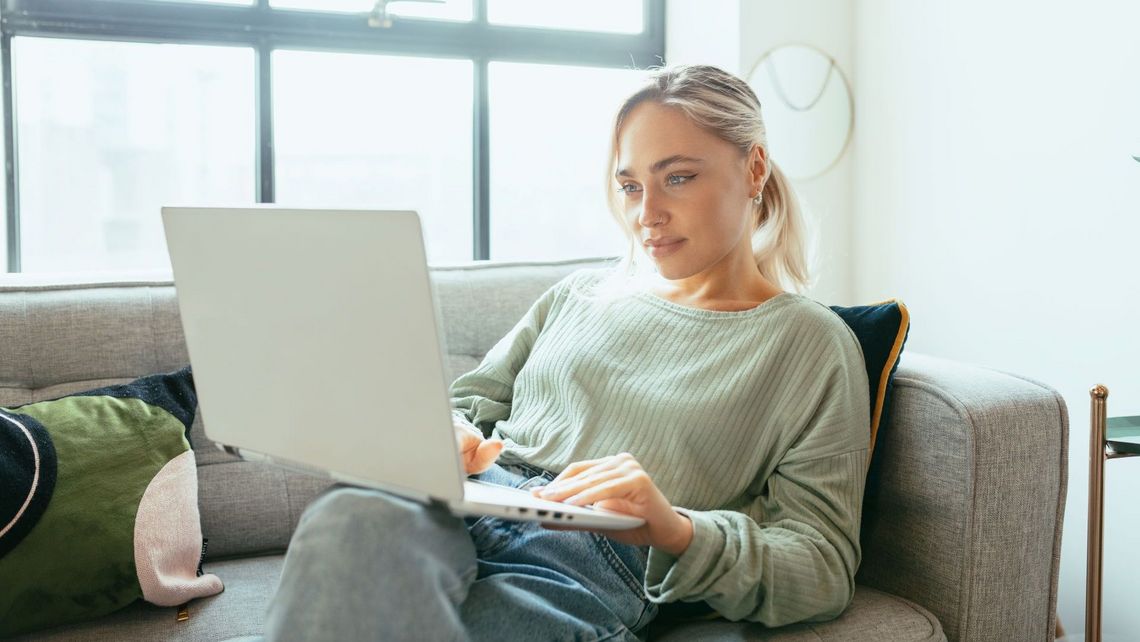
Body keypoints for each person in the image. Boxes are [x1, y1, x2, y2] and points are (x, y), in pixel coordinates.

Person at [261, 63, 870, 642]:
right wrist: (445, 433)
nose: (646, 214)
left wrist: (677, 528)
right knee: (348, 521)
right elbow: (466, 404)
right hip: (472, 498)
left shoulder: (809, 344)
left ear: (754, 168)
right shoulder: (579, 294)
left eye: (677, 177)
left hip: (590, 560)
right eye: (630, 186)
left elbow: (822, 566)